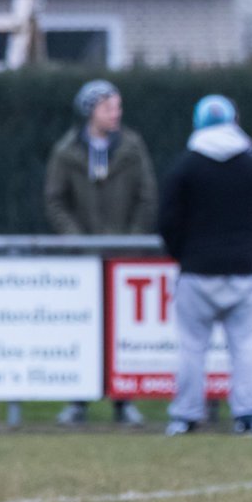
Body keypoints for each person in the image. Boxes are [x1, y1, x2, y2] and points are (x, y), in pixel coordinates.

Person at [45, 79, 157, 426]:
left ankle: (124, 402)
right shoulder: (67, 151)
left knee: (122, 331)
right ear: (90, 110)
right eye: (109, 107)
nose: (116, 113)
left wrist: (134, 239)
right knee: (84, 329)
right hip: (84, 259)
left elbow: (147, 196)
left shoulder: (132, 147)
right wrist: (77, 240)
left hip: (125, 257)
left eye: (118, 107)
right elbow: (55, 199)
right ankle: (78, 400)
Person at [158, 96, 252, 436]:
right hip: (242, 269)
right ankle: (247, 414)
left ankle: (186, 415)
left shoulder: (185, 166)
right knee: (244, 347)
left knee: (192, 347)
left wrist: (182, 253)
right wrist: (250, 247)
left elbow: (167, 220)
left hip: (196, 270)